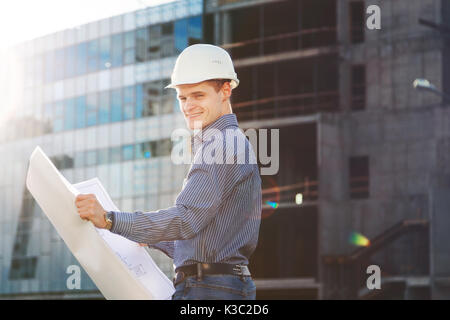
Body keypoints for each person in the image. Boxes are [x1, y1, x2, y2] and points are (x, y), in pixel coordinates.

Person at [75, 44, 262, 300]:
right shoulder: (224, 143)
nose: (188, 106)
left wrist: (109, 219)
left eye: (198, 95)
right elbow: (205, 242)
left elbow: (186, 220)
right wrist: (150, 237)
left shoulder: (221, 145)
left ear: (225, 90)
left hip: (210, 288)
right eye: (183, 98)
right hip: (215, 285)